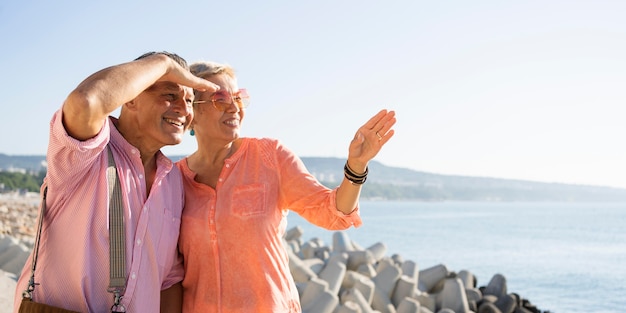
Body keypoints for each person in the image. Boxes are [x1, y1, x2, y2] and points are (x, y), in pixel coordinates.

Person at [176, 60, 396, 312]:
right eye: (221, 99)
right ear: (192, 110)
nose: (235, 108)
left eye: (239, 98)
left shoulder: (270, 157)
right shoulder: (174, 179)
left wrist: (356, 166)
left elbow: (333, 213)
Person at [13, 51, 218, 313]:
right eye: (169, 95)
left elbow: (168, 279)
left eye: (189, 100)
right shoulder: (86, 152)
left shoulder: (173, 180)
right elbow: (87, 101)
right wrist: (163, 63)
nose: (183, 109)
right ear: (129, 98)